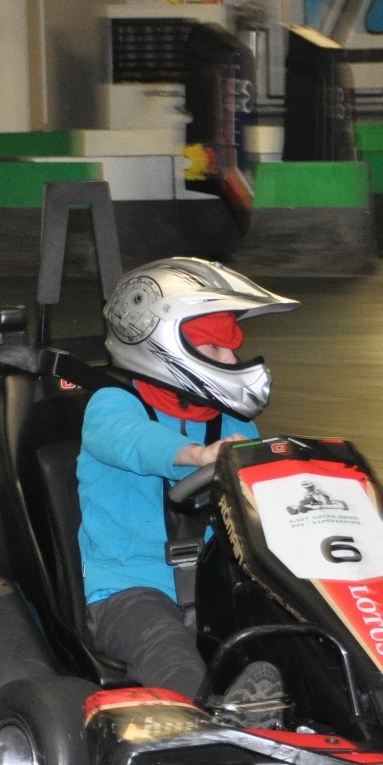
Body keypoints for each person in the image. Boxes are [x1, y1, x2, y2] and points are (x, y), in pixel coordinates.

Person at [78, 257, 298, 711]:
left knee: (294, 632)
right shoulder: (112, 405)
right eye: (216, 349)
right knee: (171, 652)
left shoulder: (233, 423)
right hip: (128, 591)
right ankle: (206, 727)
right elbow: (134, 442)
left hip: (216, 584)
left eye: (232, 349)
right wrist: (198, 456)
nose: (232, 361)